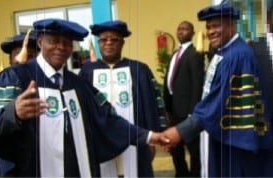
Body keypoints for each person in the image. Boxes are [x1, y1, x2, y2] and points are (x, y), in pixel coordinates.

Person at [0, 18, 166, 177]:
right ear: (40, 42)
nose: (61, 47)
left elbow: (107, 118)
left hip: (76, 167)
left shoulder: (78, 84)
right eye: (54, 41)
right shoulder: (16, 77)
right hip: (34, 169)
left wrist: (148, 136)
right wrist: (13, 113)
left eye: (67, 43)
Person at [161, 4, 273, 177]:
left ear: (230, 24)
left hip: (237, 143)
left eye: (216, 25)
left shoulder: (236, 56)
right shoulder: (225, 53)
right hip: (227, 136)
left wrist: (179, 131)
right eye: (208, 27)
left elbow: (216, 103)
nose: (210, 31)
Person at [79, 20, 167, 177]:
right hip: (100, 140)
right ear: (99, 43)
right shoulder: (87, 72)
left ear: (122, 43)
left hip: (135, 138)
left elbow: (150, 105)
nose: (109, 43)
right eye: (104, 39)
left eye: (114, 39)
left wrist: (150, 139)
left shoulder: (139, 69)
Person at [163, 20, 204, 177]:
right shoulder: (175, 53)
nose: (181, 32)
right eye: (179, 29)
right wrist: (166, 108)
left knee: (193, 148)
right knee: (174, 146)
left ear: (192, 33)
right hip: (173, 110)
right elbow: (169, 80)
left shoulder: (195, 54)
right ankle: (181, 173)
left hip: (187, 111)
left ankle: (195, 174)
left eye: (185, 29)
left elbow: (197, 83)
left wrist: (192, 111)